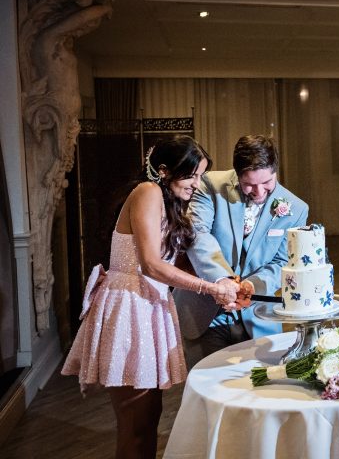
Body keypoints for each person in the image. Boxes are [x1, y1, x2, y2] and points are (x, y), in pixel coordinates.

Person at [61, 136, 246, 459]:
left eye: (200, 176)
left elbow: (178, 262)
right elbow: (150, 263)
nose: (196, 184)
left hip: (149, 308)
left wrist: (226, 282)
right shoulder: (146, 192)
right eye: (191, 175)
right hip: (130, 309)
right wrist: (210, 289)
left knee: (148, 419)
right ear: (163, 171)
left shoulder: (168, 202)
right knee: (135, 425)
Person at [174, 134, 308, 368]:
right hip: (204, 310)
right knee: (210, 386)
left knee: (257, 390)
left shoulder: (295, 208)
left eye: (266, 183)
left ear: (275, 170)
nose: (258, 192)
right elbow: (197, 233)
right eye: (249, 184)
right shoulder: (210, 185)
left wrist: (250, 287)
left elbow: (282, 263)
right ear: (237, 173)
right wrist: (223, 280)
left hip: (258, 317)